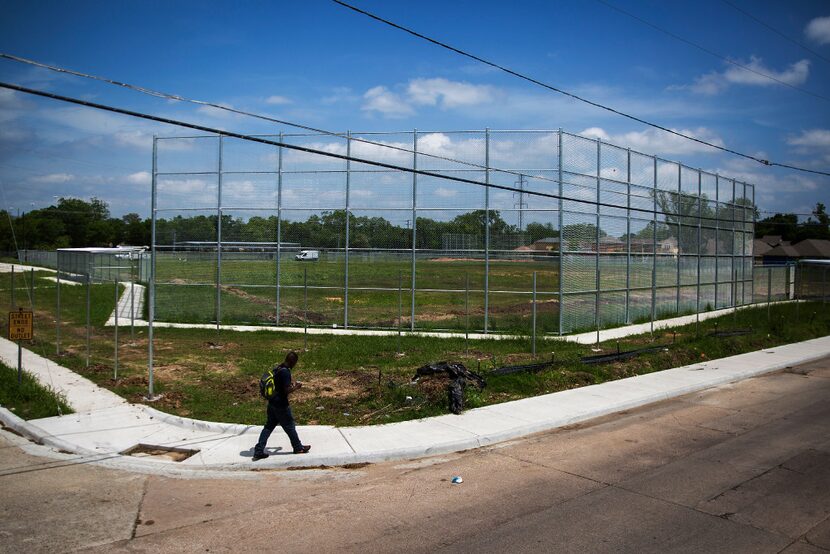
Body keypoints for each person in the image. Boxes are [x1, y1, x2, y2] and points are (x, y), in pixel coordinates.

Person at [253, 351, 311, 460]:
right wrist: (296, 387)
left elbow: (279, 385)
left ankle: (259, 450)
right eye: (295, 362)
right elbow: (285, 390)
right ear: (292, 361)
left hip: (272, 403)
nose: (295, 365)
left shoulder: (279, 368)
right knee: (290, 426)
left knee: (268, 426)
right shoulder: (285, 372)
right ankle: (298, 448)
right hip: (281, 405)